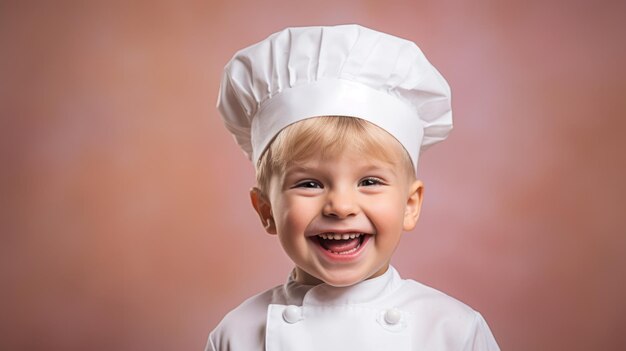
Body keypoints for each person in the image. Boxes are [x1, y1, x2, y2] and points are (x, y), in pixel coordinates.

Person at [206, 24, 500, 351]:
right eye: (310, 183)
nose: (341, 206)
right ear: (266, 211)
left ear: (410, 204)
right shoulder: (236, 334)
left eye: (369, 182)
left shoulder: (454, 331)